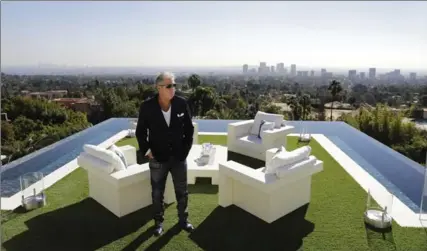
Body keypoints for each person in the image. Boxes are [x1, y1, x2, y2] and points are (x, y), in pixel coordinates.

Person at [135, 72, 195, 236]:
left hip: (179, 158)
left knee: (182, 191)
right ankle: (158, 224)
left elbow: (189, 129)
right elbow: (140, 132)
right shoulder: (147, 107)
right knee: (157, 193)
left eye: (174, 85)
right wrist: (147, 151)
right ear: (159, 87)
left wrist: (185, 151)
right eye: (169, 85)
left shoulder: (181, 104)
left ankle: (183, 221)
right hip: (157, 159)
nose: (173, 88)